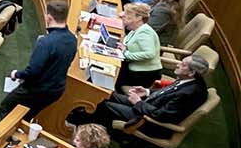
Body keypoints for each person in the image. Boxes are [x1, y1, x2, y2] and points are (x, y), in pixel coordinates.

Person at [70, 54, 210, 135]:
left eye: (183, 64)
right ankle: (76, 112)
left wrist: (138, 102)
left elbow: (162, 115)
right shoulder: (187, 79)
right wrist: (147, 91)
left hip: (147, 120)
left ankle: (80, 128)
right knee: (106, 93)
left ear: (192, 72)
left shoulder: (190, 93)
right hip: (147, 104)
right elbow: (167, 93)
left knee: (104, 104)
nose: (178, 64)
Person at [0, 0, 78, 119]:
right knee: (28, 115)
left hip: (37, 90)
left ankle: (8, 131)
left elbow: (32, 72)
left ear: (49, 17)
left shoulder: (45, 42)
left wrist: (16, 74)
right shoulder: (72, 39)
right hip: (56, 90)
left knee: (5, 107)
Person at [117, 3, 162, 89]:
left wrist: (126, 53)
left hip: (144, 73)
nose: (123, 16)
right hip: (133, 66)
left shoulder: (144, 32)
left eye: (128, 14)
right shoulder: (134, 29)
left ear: (139, 18)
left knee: (114, 74)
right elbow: (126, 44)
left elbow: (149, 54)